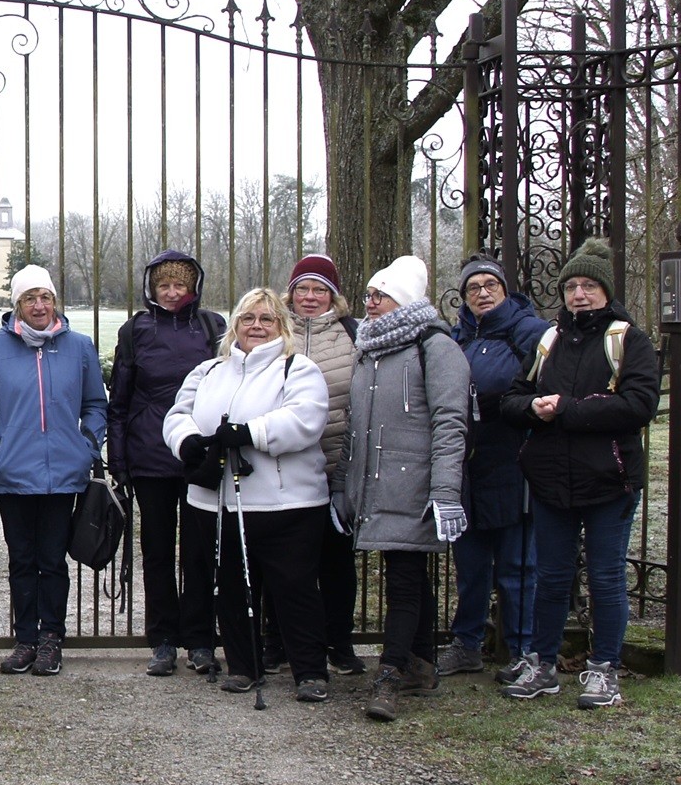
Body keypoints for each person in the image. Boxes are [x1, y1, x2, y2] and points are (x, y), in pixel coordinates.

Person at [500, 239, 659, 709]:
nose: (579, 295)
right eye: (571, 286)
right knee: (551, 577)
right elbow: (512, 399)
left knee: (606, 577)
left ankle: (604, 668)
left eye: (589, 285)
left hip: (609, 480)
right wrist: (533, 407)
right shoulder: (548, 341)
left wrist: (565, 409)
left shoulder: (629, 340)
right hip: (551, 481)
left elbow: (639, 405)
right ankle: (543, 664)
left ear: (606, 291)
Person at [163, 288, 332, 703]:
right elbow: (177, 415)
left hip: (286, 504)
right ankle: (243, 665)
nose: (256, 326)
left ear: (281, 326)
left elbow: (306, 419)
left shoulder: (298, 368)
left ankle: (310, 671)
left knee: (294, 590)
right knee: (232, 588)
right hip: (217, 503)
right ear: (234, 325)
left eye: (267, 319)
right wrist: (186, 443)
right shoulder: (208, 371)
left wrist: (249, 433)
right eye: (248, 318)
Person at [331, 255, 470, 722]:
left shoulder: (436, 347)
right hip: (376, 486)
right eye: (368, 295)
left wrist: (445, 491)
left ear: (404, 301)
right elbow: (355, 428)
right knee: (405, 573)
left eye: (380, 295)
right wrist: (342, 487)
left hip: (416, 488)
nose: (369, 303)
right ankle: (421, 665)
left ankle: (389, 674)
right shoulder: (370, 348)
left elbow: (451, 423)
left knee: (406, 582)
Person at [0, 264, 108, 677]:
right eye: (30, 298)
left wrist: (85, 447)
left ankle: (51, 640)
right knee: (22, 561)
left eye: (45, 297)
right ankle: (25, 638)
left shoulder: (78, 347)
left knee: (54, 561)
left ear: (55, 302)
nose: (39, 305)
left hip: (64, 475)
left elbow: (96, 405)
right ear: (17, 305)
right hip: (13, 476)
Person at [107, 250, 227, 677]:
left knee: (199, 554)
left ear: (193, 287)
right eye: (164, 286)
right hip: (149, 456)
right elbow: (118, 402)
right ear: (151, 289)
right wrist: (118, 461)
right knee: (156, 552)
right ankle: (162, 641)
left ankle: (200, 640)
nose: (173, 292)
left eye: (180, 285)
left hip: (198, 456)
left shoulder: (212, 327)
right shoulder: (136, 330)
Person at [437, 254, 550, 685]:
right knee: (470, 565)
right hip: (466, 465)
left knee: (518, 565)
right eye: (473, 288)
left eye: (490, 286)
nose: (482, 293)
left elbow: (540, 383)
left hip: (513, 464)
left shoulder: (528, 331)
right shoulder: (457, 337)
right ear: (463, 297)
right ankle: (467, 644)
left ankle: (523, 649)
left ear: (504, 290)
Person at [263, 254, 366, 676]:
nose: (309, 297)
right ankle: (277, 641)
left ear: (333, 296)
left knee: (337, 560)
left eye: (319, 289)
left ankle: (338, 642)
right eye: (302, 289)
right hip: (283, 466)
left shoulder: (353, 333)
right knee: (282, 561)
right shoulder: (272, 330)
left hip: (336, 463)